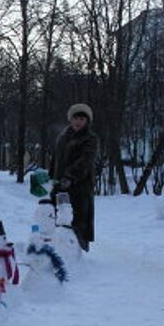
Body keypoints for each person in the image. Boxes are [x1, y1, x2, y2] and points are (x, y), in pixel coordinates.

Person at [50, 103, 98, 251]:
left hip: (80, 186)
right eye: (76, 118)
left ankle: (77, 253)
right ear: (70, 119)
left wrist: (70, 176)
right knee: (58, 216)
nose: (78, 122)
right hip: (61, 184)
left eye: (82, 119)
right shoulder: (63, 136)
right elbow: (56, 158)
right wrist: (51, 176)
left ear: (87, 121)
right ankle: (59, 249)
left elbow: (85, 161)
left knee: (77, 219)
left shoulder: (90, 138)